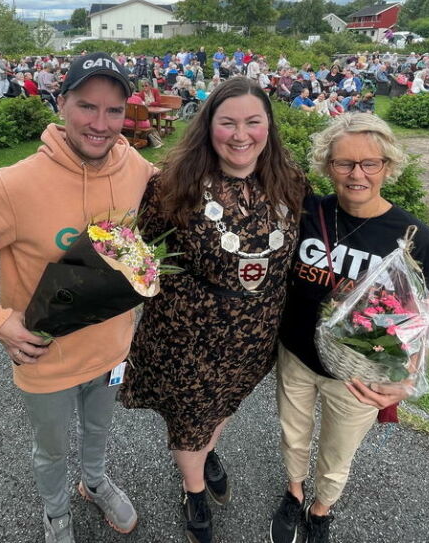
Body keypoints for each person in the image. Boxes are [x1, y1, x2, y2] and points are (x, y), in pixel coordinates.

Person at [0, 53, 154, 543]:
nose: (100, 124)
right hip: (45, 357)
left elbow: (169, 196)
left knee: (98, 431)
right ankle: (56, 512)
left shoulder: (133, 165)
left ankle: (93, 482)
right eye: (86, 106)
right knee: (50, 448)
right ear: (60, 103)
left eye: (114, 110)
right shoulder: (14, 185)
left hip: (113, 348)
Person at [120, 77, 307, 543]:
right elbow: (139, 252)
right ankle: (194, 488)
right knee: (189, 418)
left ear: (268, 126)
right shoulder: (172, 184)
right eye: (227, 122)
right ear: (209, 127)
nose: (240, 134)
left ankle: (204, 453)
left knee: (221, 407)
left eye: (252, 122)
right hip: (189, 336)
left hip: (253, 335)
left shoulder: (290, 180)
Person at [269, 113, 429, 543]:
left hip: (358, 376)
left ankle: (321, 507)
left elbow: (422, 318)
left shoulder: (412, 237)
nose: (357, 174)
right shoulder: (307, 212)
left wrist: (407, 378)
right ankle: (293, 491)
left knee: (337, 452)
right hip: (296, 355)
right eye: (344, 163)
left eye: (370, 163)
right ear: (327, 166)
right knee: (294, 435)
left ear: (388, 166)